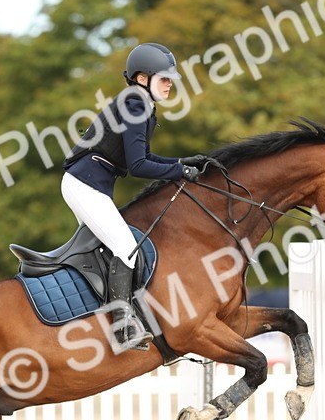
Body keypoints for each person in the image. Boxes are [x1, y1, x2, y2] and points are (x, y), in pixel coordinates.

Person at [61, 42, 213, 351]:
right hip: (84, 185)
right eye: (164, 78)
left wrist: (182, 162)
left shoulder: (139, 103)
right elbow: (139, 166)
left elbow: (144, 156)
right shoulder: (135, 106)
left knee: (106, 250)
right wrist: (180, 172)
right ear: (143, 78)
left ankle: (102, 319)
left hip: (89, 184)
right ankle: (122, 330)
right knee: (125, 246)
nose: (170, 84)